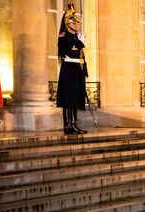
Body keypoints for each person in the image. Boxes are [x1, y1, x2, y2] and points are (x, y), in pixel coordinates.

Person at [57, 4, 88, 135]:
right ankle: (68, 125)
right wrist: (80, 42)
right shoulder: (63, 37)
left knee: (75, 98)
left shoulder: (75, 37)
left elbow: (81, 57)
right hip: (69, 69)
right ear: (67, 23)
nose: (76, 25)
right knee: (69, 99)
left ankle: (74, 124)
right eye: (73, 22)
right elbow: (70, 53)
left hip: (77, 70)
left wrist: (84, 71)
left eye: (76, 23)